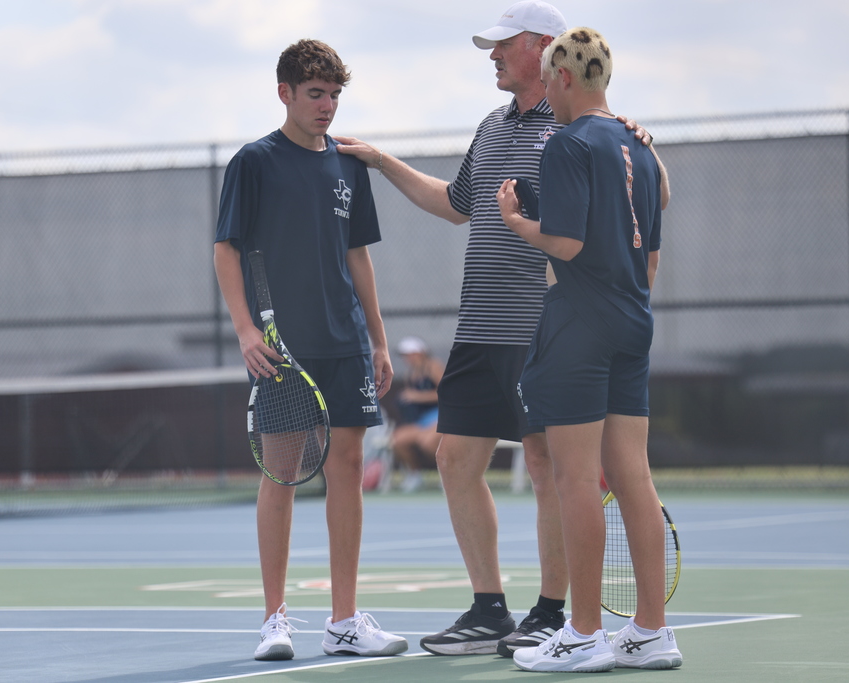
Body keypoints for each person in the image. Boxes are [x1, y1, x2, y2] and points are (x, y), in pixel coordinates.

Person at [335, 1, 668, 657]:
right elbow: (457, 205)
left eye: (503, 44)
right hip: (479, 326)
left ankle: (553, 612)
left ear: (544, 50)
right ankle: (491, 607)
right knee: (453, 458)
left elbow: (633, 200)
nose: (491, 55)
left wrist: (645, 149)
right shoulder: (492, 126)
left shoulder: (580, 130)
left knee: (549, 465)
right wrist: (381, 160)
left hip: (546, 327)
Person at [213, 39, 407, 662]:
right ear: (286, 94)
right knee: (284, 474)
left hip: (345, 342)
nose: (327, 106)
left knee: (347, 469)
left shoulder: (350, 164)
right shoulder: (254, 162)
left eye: (334, 95)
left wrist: (378, 337)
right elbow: (226, 250)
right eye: (315, 94)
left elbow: (359, 256)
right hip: (281, 352)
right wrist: (247, 332)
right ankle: (274, 621)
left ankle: (344, 621)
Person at [497, 27, 683, 672]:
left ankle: (582, 633)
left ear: (567, 79)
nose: (545, 91)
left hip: (581, 322)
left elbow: (567, 244)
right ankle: (652, 631)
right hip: (634, 319)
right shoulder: (639, 144)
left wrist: (517, 222)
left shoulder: (566, 143)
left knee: (576, 478)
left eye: (549, 79)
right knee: (634, 478)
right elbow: (651, 254)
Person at [390, 336, 445, 492]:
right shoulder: (411, 373)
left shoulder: (433, 366)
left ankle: (448, 474)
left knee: (427, 443)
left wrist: (417, 396)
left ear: (420, 353)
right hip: (422, 420)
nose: (407, 358)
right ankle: (415, 476)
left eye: (410, 354)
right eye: (404, 355)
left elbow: (446, 394)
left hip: (439, 416)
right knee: (397, 440)